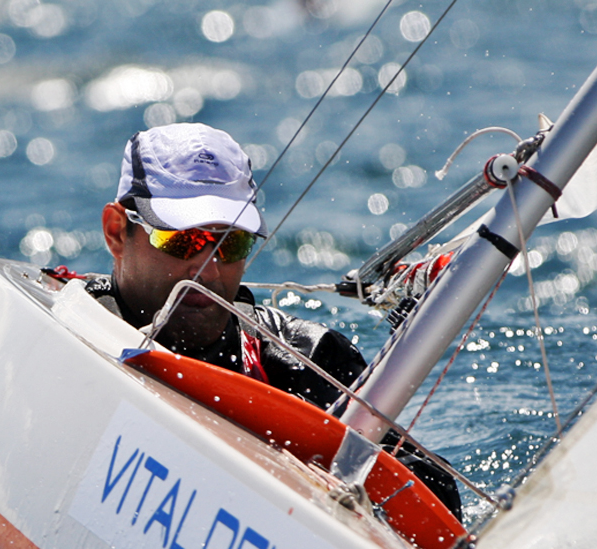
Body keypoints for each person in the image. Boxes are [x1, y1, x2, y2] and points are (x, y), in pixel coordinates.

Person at [77, 122, 460, 515]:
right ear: (117, 232)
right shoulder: (61, 329)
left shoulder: (308, 360)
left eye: (232, 243)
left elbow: (435, 496)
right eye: (181, 240)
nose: (208, 271)